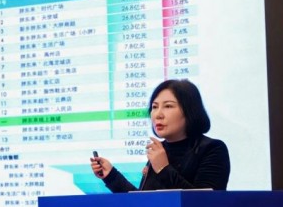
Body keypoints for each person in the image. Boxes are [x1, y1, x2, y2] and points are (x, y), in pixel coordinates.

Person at [90, 79, 230, 191]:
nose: (158, 114)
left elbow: (203, 204)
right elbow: (144, 203)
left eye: (168, 106)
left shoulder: (212, 149)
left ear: (189, 111)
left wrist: (163, 169)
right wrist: (111, 176)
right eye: (155, 107)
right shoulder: (159, 150)